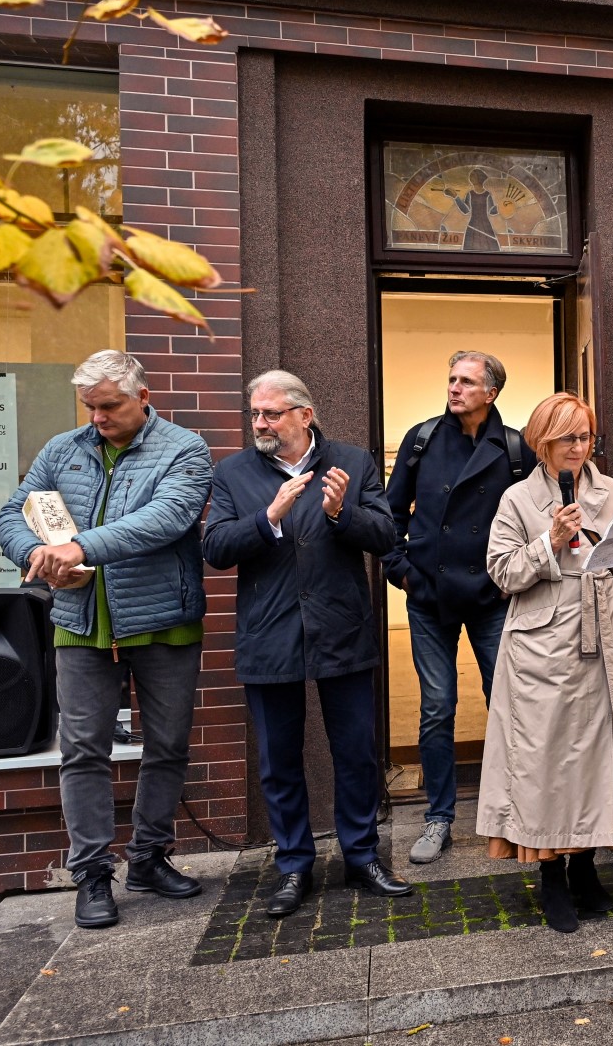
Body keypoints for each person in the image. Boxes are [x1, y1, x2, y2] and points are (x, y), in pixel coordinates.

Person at [0, 350, 211, 929]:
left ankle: (149, 857)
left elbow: (167, 518)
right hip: (79, 624)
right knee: (83, 751)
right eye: (89, 407)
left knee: (167, 746)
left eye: (109, 405)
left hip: (164, 621)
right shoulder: (61, 449)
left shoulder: (185, 449)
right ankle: (91, 874)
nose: (97, 417)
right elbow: (14, 512)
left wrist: (80, 547)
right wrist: (37, 554)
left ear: (143, 396)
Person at [202, 371, 410, 916]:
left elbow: (386, 535)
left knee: (356, 753)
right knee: (279, 760)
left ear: (304, 415)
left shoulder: (352, 462)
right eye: (255, 414)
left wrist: (341, 513)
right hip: (269, 635)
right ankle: (293, 865)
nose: (261, 423)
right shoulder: (233, 472)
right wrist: (267, 518)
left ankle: (362, 856)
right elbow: (215, 547)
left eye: (271, 414)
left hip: (341, 629)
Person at [476, 393, 613, 932]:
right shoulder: (517, 498)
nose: (578, 448)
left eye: (584, 437)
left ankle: (586, 868)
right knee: (549, 762)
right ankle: (552, 877)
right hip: (544, 648)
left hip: (610, 642)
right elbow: (502, 573)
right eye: (567, 438)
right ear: (542, 441)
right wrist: (550, 540)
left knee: (603, 758)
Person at [383, 351, 538, 866]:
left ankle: (516, 808)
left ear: (491, 393)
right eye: (451, 378)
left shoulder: (514, 446)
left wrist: (512, 579)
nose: (454, 388)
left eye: (467, 381)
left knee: (508, 702)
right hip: (430, 596)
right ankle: (438, 816)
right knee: (436, 707)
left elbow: (534, 518)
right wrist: (402, 570)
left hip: (493, 597)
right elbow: (389, 513)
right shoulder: (423, 439)